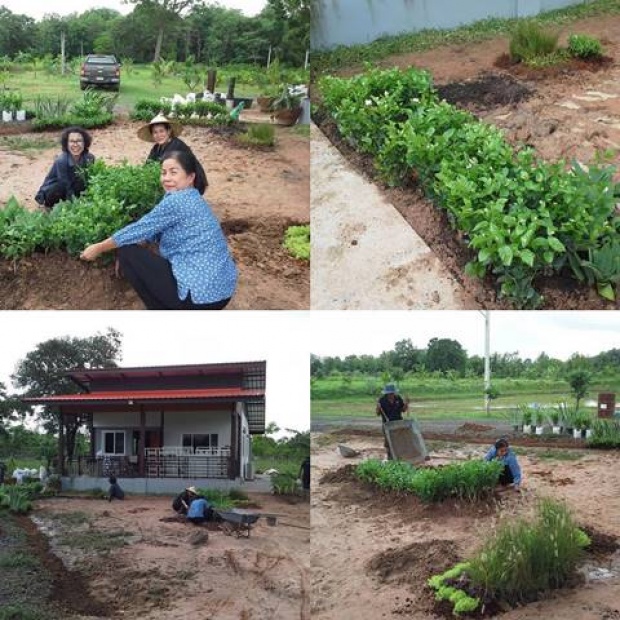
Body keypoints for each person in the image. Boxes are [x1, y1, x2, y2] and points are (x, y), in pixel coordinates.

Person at [79, 150, 237, 310]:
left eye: (173, 172)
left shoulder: (177, 201)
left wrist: (98, 248)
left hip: (199, 296)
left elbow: (138, 230)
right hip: (222, 290)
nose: (166, 178)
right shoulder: (193, 197)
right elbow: (153, 231)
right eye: (163, 172)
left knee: (126, 251)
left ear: (190, 177)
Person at [138, 114, 208, 191]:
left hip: (193, 182)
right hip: (177, 179)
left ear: (168, 131)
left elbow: (164, 169)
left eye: (162, 131)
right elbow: (147, 166)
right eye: (155, 132)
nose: (159, 135)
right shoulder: (156, 148)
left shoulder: (176, 146)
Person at [35, 126, 95, 209]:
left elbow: (91, 180)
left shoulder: (90, 158)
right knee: (60, 188)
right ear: (66, 144)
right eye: (71, 141)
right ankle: (49, 207)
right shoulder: (61, 160)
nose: (75, 144)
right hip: (55, 190)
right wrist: (74, 207)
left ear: (85, 143)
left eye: (79, 141)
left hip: (71, 186)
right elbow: (65, 184)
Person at [376, 384, 409, 459]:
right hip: (387, 425)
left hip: (398, 423)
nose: (391, 395)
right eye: (389, 393)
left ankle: (400, 457)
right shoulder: (382, 400)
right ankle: (390, 458)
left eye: (392, 393)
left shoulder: (398, 398)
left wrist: (406, 404)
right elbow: (378, 413)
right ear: (386, 393)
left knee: (400, 441)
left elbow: (403, 410)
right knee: (389, 443)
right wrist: (378, 408)